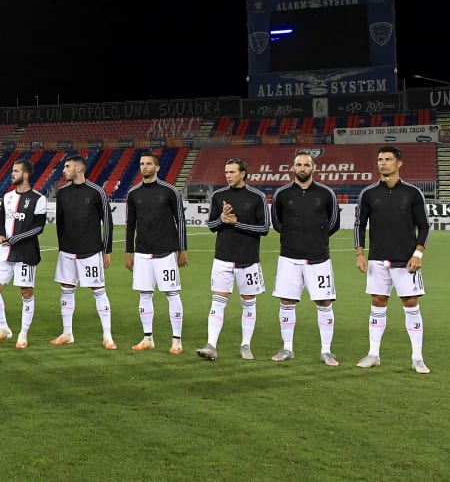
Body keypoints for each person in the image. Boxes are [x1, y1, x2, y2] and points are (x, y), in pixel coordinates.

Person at [354, 145, 431, 374]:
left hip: (406, 261)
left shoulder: (412, 193)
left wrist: (418, 254)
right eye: (379, 159)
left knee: (410, 303)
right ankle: (373, 354)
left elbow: (425, 226)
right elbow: (360, 225)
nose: (383, 163)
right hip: (377, 260)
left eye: (388, 159)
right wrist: (360, 254)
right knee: (378, 302)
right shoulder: (368, 193)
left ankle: (417, 357)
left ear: (399, 163)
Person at [270, 151, 342, 364]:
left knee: (324, 301)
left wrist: (315, 237)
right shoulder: (281, 194)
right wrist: (295, 238)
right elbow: (277, 224)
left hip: (318, 258)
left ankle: (326, 350)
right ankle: (287, 348)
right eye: (299, 165)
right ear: (293, 168)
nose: (302, 168)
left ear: (313, 168)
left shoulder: (326, 193)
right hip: (289, 257)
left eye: (306, 165)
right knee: (287, 301)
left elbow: (334, 223)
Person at [196, 158, 271, 361]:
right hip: (222, 258)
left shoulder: (258, 197)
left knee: (248, 303)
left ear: (243, 173)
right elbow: (212, 225)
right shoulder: (219, 195)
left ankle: (245, 345)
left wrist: (237, 223)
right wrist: (222, 219)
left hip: (248, 260)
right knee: (218, 302)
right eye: (226, 171)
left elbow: (264, 228)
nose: (228, 175)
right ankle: (211, 345)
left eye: (232, 171)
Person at [123, 151, 188, 354]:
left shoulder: (170, 191)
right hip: (142, 252)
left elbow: (181, 221)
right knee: (144, 294)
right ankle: (147, 338)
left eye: (149, 164)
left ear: (157, 168)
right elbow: (130, 224)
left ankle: (176, 341)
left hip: (166, 252)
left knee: (172, 294)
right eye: (142, 163)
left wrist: (182, 249)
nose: (144, 167)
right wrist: (128, 251)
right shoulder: (133, 193)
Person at [50, 154, 116, 349]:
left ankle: (107, 336)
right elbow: (60, 224)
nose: (64, 170)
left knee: (98, 291)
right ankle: (67, 333)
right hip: (68, 252)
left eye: (67, 166)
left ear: (79, 169)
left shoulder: (97, 192)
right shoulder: (62, 193)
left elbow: (108, 223)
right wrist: (63, 247)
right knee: (66, 290)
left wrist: (106, 250)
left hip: (91, 251)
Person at [0, 159, 47, 349]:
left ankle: (23, 333)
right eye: (12, 170)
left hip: (26, 253)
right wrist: (1, 235)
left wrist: (15, 238)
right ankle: (3, 329)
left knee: (26, 292)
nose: (12, 174)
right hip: (4, 251)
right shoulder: (7, 197)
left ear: (26, 175)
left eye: (16, 171)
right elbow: (0, 219)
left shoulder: (38, 199)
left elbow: (38, 228)